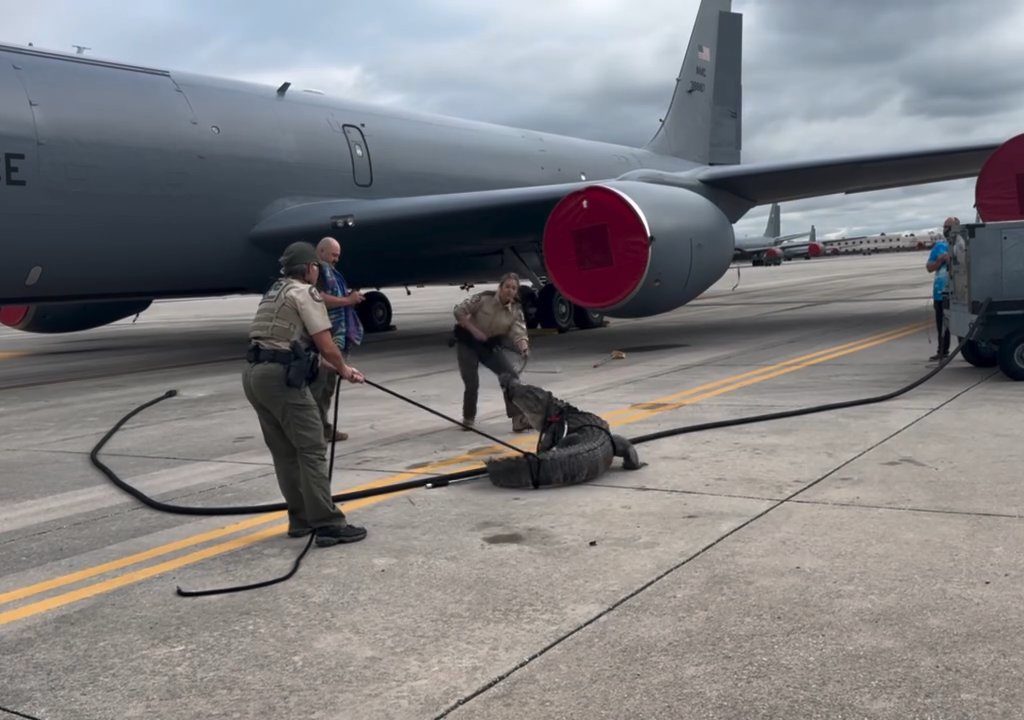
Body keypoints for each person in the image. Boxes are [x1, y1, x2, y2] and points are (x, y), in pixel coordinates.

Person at [243, 241, 367, 547]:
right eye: (317, 268)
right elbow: (326, 344)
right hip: (278, 378)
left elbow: (283, 343)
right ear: (310, 269)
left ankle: (299, 520)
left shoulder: (275, 292)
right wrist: (343, 367)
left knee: (284, 452)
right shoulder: (306, 292)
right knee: (312, 447)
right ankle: (327, 524)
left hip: (253, 375)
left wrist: (336, 368)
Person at [453, 272, 531, 432]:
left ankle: (518, 419)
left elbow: (519, 332)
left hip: (488, 346)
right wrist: (474, 331)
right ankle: (468, 418)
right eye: (507, 287)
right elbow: (459, 311)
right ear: (500, 287)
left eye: (514, 288)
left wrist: (523, 346)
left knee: (511, 378)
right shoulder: (483, 299)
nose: (510, 291)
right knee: (472, 383)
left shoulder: (515, 311)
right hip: (468, 342)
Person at [310, 236, 365, 442]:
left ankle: (323, 427)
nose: (336, 259)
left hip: (337, 338)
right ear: (321, 251)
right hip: (326, 338)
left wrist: (350, 298)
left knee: (327, 388)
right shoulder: (319, 271)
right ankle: (316, 431)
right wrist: (346, 300)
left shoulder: (332, 272)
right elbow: (317, 297)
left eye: (338, 256)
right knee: (319, 388)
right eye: (333, 255)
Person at [925, 216, 957, 361]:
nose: (946, 230)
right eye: (944, 227)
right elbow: (929, 268)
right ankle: (942, 350)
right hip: (940, 293)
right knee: (941, 323)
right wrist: (940, 260)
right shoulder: (939, 247)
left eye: (949, 227)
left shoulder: (963, 244)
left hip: (959, 292)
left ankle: (969, 349)